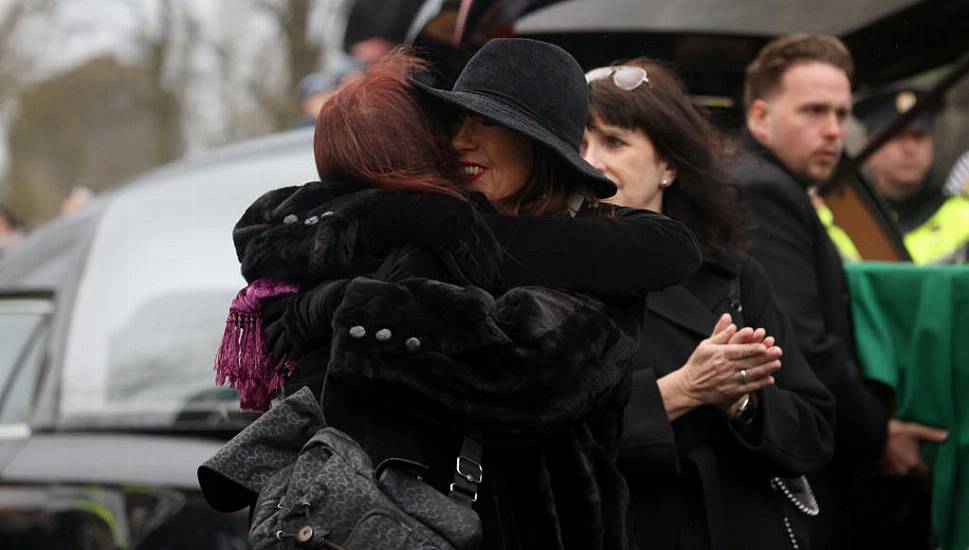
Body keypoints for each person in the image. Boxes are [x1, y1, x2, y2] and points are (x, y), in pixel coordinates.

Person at [217, 40, 701, 549]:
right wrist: (397, 223)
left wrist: (342, 308)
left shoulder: (600, 266)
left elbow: (512, 375)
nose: (463, 141)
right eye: (459, 121)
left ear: (540, 145)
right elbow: (267, 228)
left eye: (489, 123)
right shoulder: (436, 231)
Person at [581, 57, 836, 549]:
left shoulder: (732, 275)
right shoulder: (545, 274)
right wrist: (683, 389)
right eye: (580, 143)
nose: (591, 161)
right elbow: (546, 435)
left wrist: (741, 401)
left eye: (613, 141)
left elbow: (814, 430)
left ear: (669, 167)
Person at [733, 34, 948, 548]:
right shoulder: (763, 190)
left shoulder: (772, 183)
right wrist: (880, 435)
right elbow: (801, 342)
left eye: (840, 114)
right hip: (798, 466)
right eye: (812, 111)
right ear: (760, 117)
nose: (833, 131)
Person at [854, 86, 969, 264]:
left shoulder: (964, 216)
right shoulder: (834, 219)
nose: (909, 149)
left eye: (919, 136)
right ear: (869, 147)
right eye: (897, 137)